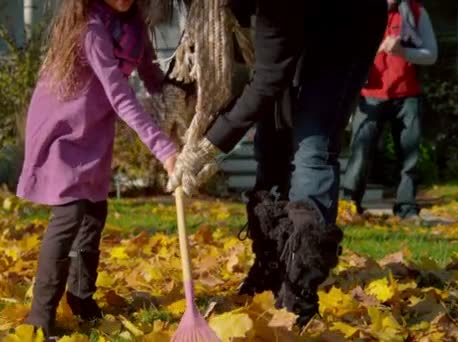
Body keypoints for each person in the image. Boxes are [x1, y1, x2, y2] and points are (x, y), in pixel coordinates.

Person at [167, 0, 387, 326]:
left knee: (312, 147)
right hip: (295, 29)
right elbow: (210, 44)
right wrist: (174, 96)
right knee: (271, 141)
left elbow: (268, 79)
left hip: (347, 30)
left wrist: (207, 147)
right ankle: (270, 265)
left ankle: (299, 291)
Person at [16, 0, 178, 336]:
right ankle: (40, 318)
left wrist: (180, 98)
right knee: (69, 216)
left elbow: (150, 76)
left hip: (92, 130)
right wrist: (162, 148)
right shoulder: (90, 28)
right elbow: (120, 95)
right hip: (61, 128)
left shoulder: (135, 27)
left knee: (94, 213)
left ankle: (82, 299)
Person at [343, 0, 438, 219]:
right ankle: (349, 206)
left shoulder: (416, 12)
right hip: (370, 95)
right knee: (360, 154)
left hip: (407, 95)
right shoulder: (360, 12)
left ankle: (406, 208)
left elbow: (431, 54)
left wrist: (403, 51)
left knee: (409, 157)